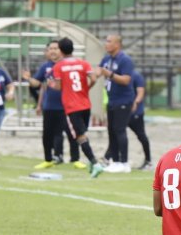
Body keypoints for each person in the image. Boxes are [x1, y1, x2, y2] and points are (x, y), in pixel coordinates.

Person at [21, 41, 84, 170]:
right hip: (50, 106)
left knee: (73, 134)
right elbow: (38, 84)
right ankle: (48, 159)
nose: (53, 51)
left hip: (67, 106)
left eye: (56, 48)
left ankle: (75, 159)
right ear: (47, 51)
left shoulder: (68, 65)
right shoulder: (45, 67)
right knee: (48, 134)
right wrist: (28, 78)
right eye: (50, 49)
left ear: (61, 51)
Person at [48, 37, 104, 178]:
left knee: (80, 136)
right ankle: (92, 163)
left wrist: (52, 85)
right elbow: (94, 79)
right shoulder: (83, 64)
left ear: (60, 50)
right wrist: (86, 89)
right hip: (85, 104)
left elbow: (59, 86)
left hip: (72, 106)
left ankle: (95, 163)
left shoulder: (58, 67)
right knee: (83, 134)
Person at [98, 34, 135, 173]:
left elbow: (126, 80)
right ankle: (115, 160)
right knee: (111, 131)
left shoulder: (125, 60)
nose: (106, 44)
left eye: (109, 41)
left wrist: (110, 74)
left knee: (119, 130)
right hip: (111, 100)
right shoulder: (107, 59)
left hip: (123, 100)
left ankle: (124, 162)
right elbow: (98, 71)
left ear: (117, 44)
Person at [128, 70, 152, 170]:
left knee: (141, 135)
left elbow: (140, 92)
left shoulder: (135, 75)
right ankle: (109, 157)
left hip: (135, 113)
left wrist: (135, 103)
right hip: (121, 111)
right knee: (116, 133)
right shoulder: (118, 76)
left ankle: (148, 161)